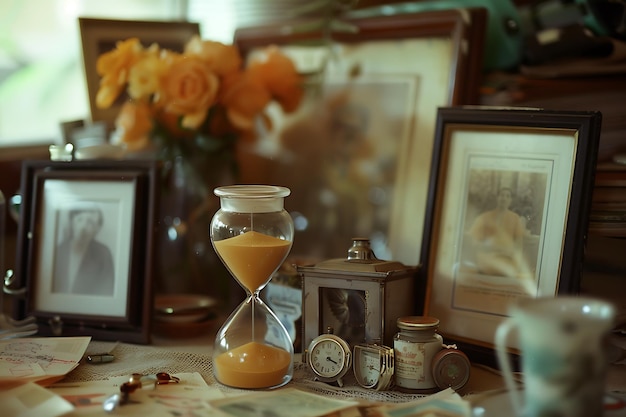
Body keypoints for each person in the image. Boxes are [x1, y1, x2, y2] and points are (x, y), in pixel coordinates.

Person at [53, 203, 115, 295]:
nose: (83, 228)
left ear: (97, 229)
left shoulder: (103, 254)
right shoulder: (58, 250)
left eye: (90, 223)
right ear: (72, 221)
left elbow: (107, 290)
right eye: (79, 220)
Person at [467, 187, 527, 278]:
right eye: (502, 195)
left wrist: (515, 258)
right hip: (488, 257)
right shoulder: (485, 217)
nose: (504, 198)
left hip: (506, 259)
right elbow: (475, 242)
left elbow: (519, 245)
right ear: (497, 198)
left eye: (507, 196)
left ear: (510, 200)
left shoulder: (515, 218)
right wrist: (491, 248)